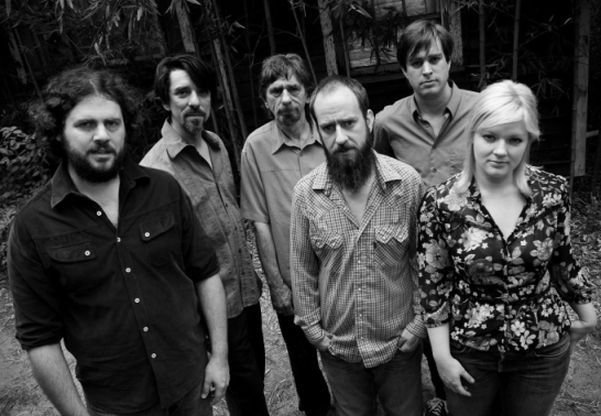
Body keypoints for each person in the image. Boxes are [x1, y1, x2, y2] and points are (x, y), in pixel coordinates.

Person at [8, 67, 229, 416]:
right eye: (86, 124)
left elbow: (206, 272)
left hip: (191, 388)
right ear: (58, 133)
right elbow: (39, 340)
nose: (102, 135)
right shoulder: (32, 227)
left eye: (112, 123)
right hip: (117, 405)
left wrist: (219, 358)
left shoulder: (164, 191)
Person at [417, 79, 597, 416]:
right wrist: (441, 357)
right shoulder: (441, 203)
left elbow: (562, 259)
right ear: (472, 135)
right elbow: (433, 283)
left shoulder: (552, 193)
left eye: (514, 139)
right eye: (490, 137)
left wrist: (588, 316)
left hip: (541, 347)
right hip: (471, 348)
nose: (501, 150)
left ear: (528, 140)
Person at [140, 54, 268, 416]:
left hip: (247, 294)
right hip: (213, 308)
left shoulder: (216, 145)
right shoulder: (154, 171)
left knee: (253, 381)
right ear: (165, 102)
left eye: (203, 92)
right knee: (244, 394)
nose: (195, 101)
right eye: (183, 93)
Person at [290, 75, 425, 416]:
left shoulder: (407, 184)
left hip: (398, 347)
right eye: (328, 127)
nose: (340, 137)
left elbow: (425, 262)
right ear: (317, 131)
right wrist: (315, 332)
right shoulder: (306, 195)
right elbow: (302, 268)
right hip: (340, 351)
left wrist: (419, 324)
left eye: (348, 123)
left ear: (368, 119)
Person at [240, 53, 331, 416]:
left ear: (308, 93)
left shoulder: (331, 134)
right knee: (303, 359)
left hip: (340, 272)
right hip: (293, 280)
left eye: (293, 88)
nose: (286, 98)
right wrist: (276, 285)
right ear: (265, 100)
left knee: (348, 353)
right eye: (276, 91)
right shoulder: (255, 147)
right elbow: (259, 221)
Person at [374, 19, 479, 188]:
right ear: (404, 70)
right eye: (417, 63)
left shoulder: (482, 110)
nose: (427, 71)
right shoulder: (387, 123)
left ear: (448, 62)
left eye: (434, 59)